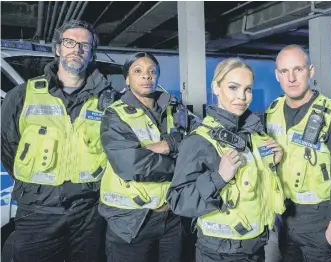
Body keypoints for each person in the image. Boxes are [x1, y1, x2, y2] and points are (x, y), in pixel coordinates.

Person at [0, 20, 118, 261]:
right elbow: (6, 145)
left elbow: (114, 151)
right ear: (58, 49)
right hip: (37, 209)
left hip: (89, 211)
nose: (77, 49)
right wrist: (35, 185)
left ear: (91, 53)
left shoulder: (109, 102)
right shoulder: (23, 95)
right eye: (69, 42)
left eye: (84, 45)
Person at [167, 58, 286, 262]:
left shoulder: (256, 136)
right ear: (215, 87)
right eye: (233, 87)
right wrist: (219, 177)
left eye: (247, 89)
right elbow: (177, 199)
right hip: (220, 252)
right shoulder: (199, 141)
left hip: (256, 246)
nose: (241, 97)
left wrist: (273, 161)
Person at [265, 44, 331, 262]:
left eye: (298, 69)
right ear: (277, 75)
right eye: (284, 71)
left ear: (310, 71)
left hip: (319, 218)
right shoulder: (272, 111)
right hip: (284, 214)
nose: (291, 78)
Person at [99, 52, 193, 262]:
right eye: (138, 71)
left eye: (152, 71)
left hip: (171, 216)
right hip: (131, 221)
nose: (146, 76)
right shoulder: (115, 114)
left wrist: (160, 147)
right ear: (127, 78)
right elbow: (131, 164)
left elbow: (196, 148)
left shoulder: (175, 111)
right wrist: (174, 151)